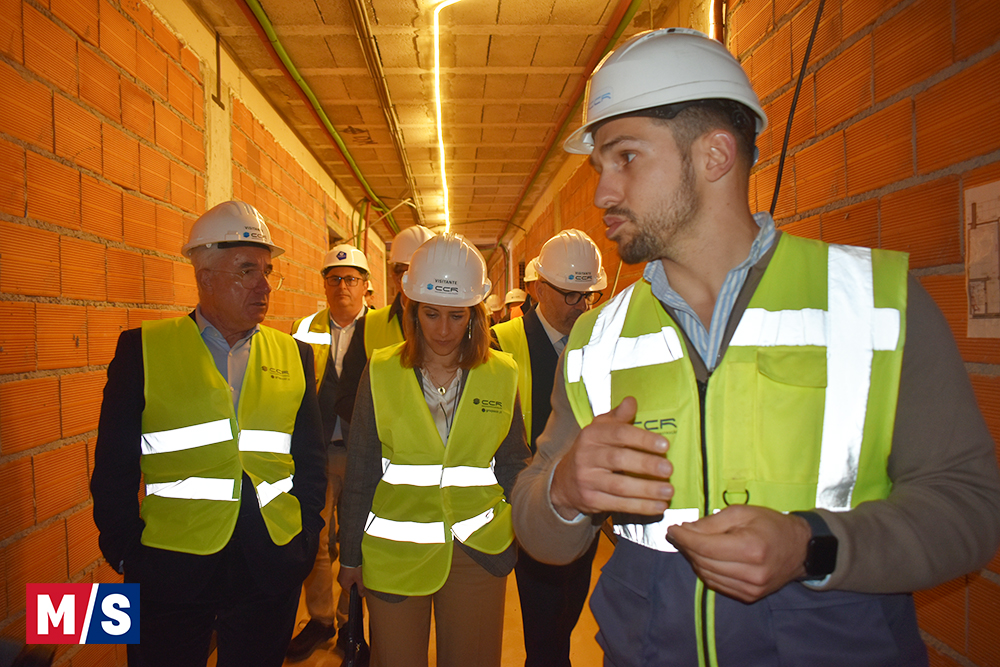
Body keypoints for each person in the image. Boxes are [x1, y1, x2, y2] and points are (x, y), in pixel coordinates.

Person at [511, 28, 1000, 666]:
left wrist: (811, 545)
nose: (604, 192)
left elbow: (969, 507)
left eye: (625, 157)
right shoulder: (596, 339)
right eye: (600, 166)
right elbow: (538, 527)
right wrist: (564, 491)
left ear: (715, 154)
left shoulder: (874, 304)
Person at [91, 200, 326, 667]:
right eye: (247, 270)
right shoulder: (143, 350)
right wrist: (126, 555)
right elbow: (114, 467)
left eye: (267, 271)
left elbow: (310, 463)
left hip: (270, 566)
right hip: (169, 570)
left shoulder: (295, 355)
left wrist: (303, 544)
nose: (264, 285)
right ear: (205, 277)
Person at [338, 232, 530, 667]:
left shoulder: (502, 373)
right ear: (412, 310)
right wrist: (349, 556)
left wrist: (534, 526)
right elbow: (362, 469)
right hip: (395, 553)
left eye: (457, 316)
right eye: (431, 314)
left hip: (478, 552)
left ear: (475, 315)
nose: (443, 330)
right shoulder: (381, 370)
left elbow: (513, 462)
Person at [492, 230, 606, 667]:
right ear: (540, 289)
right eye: (571, 295)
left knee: (568, 611)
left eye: (589, 296)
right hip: (529, 500)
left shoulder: (599, 342)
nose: (582, 306)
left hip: (584, 503)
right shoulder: (502, 341)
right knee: (543, 627)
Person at [287, 244, 372, 663]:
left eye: (351, 279)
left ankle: (350, 623)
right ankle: (320, 620)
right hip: (315, 452)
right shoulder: (302, 328)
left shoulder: (383, 329)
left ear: (365, 285)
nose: (343, 286)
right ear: (324, 284)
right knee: (314, 541)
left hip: (363, 453)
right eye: (335, 279)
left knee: (359, 541)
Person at [364, 224, 434, 356]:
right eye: (415, 274)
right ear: (397, 278)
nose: (424, 282)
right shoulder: (368, 325)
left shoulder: (454, 322)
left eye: (430, 274)